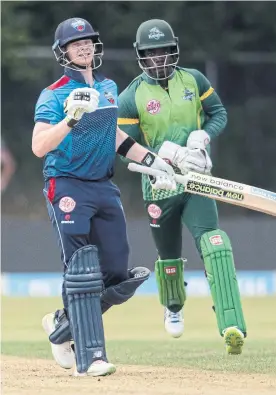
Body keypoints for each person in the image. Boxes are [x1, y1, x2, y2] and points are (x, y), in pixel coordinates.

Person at [32, 17, 176, 377]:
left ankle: (62, 325)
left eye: (88, 42)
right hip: (66, 185)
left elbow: (116, 139)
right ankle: (91, 356)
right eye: (75, 44)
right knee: (81, 271)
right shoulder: (54, 94)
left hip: (103, 186)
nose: (83, 47)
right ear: (62, 52)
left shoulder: (110, 87)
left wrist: (154, 161)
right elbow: (39, 147)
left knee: (115, 274)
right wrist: (71, 118)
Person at [117, 19, 246, 354]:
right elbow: (124, 145)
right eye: (151, 53)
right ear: (141, 56)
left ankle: (232, 323)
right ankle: (173, 307)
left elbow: (217, 113)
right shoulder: (131, 96)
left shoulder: (194, 79)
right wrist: (158, 161)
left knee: (214, 243)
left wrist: (203, 137)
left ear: (173, 50)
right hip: (160, 186)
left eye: (163, 52)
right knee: (170, 256)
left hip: (197, 182)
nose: (158, 59)